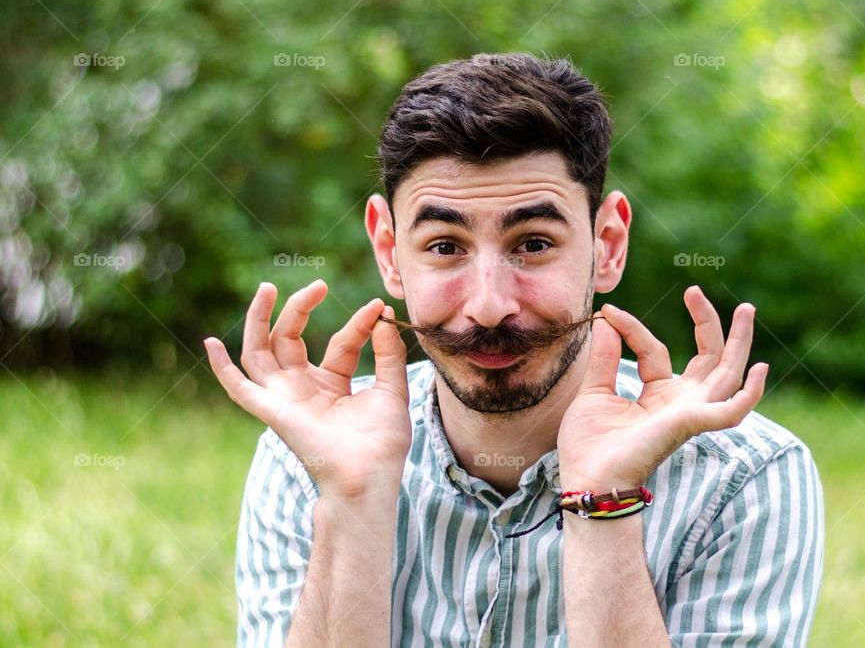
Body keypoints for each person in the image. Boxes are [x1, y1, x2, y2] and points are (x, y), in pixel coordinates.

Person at [204, 52, 824, 647]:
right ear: (391, 253)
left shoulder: (743, 478)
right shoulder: (309, 460)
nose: (489, 305)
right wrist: (352, 499)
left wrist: (604, 497)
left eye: (532, 244)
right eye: (445, 246)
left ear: (606, 244)